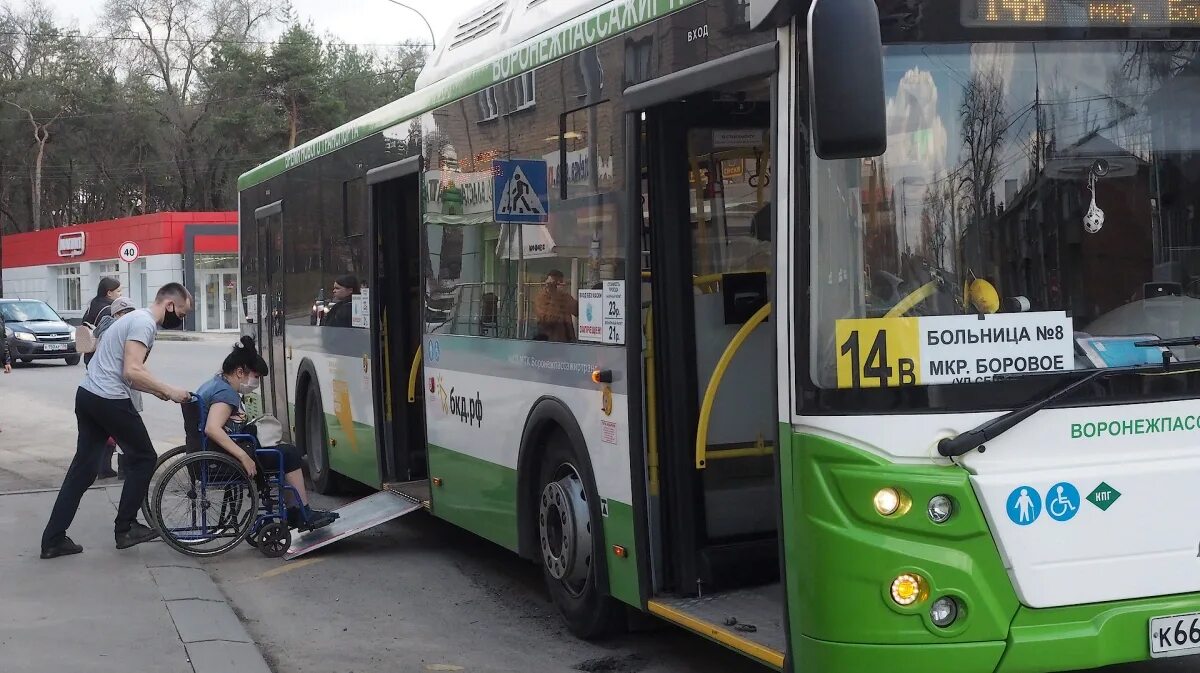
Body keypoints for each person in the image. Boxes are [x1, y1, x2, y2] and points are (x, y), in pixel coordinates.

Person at [40, 283, 194, 560]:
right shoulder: (144, 323)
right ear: (170, 305)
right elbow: (132, 370)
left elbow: (129, 372)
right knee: (145, 457)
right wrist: (170, 390)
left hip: (88, 395)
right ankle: (126, 528)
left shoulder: (134, 320)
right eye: (182, 312)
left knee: (83, 471)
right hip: (108, 399)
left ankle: (53, 539)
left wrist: (159, 392)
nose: (181, 319)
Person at [195, 336, 338, 532]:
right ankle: (301, 512)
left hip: (215, 453)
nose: (256, 383)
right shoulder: (225, 394)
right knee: (288, 453)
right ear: (239, 372)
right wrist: (244, 457)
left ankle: (296, 510)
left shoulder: (214, 383)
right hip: (224, 458)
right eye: (256, 377)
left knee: (281, 450)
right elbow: (212, 428)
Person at [91, 296, 138, 480]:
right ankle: (124, 470)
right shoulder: (119, 332)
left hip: (103, 388)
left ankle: (104, 468)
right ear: (116, 314)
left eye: (131, 313)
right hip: (118, 388)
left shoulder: (105, 330)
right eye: (125, 313)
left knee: (107, 430)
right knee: (125, 431)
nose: (128, 317)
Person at [82, 277, 122, 367]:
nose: (121, 294)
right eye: (118, 291)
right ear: (109, 293)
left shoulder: (92, 304)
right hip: (102, 356)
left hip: (89, 353)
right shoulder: (109, 310)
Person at [534, 269, 578, 342]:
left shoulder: (565, 297)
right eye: (554, 284)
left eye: (560, 283)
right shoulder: (541, 299)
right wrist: (555, 297)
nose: (557, 287)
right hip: (548, 341)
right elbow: (547, 321)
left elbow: (577, 310)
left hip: (566, 340)